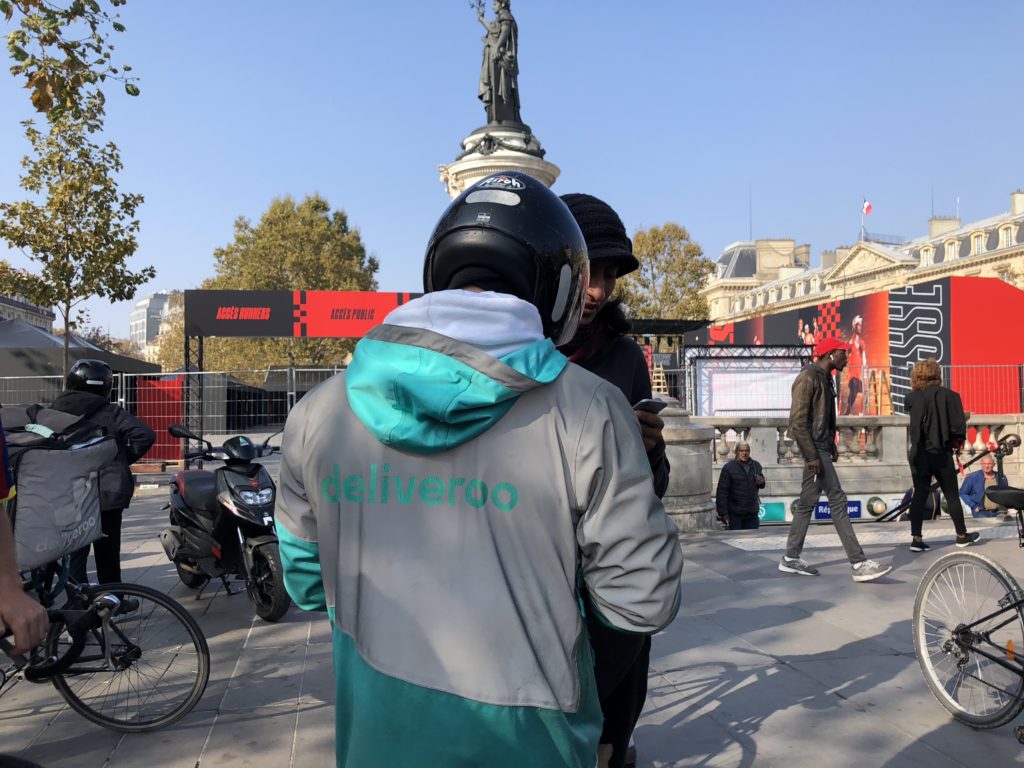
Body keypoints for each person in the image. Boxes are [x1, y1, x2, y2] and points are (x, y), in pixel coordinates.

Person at [276, 171, 683, 768]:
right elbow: (642, 599)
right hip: (532, 740)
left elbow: (307, 584)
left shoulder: (316, 415)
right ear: (560, 286)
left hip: (377, 738)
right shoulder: (590, 409)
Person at [558, 192, 668, 768]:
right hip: (539, 567)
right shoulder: (521, 353)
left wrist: (647, 451)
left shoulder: (625, 358)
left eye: (610, 274)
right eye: (586, 270)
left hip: (609, 568)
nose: (598, 289)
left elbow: (655, 488)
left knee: (615, 713)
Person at [781, 337, 891, 582]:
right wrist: (813, 455)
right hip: (814, 450)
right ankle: (858, 563)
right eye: (844, 352)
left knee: (808, 502)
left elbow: (825, 418)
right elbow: (798, 423)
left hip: (820, 448)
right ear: (830, 354)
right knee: (838, 500)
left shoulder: (824, 378)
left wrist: (831, 445)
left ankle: (790, 557)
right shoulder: (808, 377)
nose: (847, 357)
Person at [51, 360, 156, 585]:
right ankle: (112, 599)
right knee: (107, 551)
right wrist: (121, 457)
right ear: (105, 387)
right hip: (108, 491)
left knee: (76, 550)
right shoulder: (110, 412)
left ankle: (77, 602)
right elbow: (145, 434)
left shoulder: (54, 411)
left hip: (70, 491)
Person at [904, 358, 980, 552]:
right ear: (937, 374)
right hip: (941, 452)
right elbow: (956, 427)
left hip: (918, 453)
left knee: (919, 494)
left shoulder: (911, 398)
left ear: (917, 375)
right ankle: (961, 536)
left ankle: (916, 539)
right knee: (952, 494)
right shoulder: (951, 396)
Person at [477, 0, 520, 124]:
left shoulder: (505, 16)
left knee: (501, 86)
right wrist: (481, 19)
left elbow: (504, 33)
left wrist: (496, 48)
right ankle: (494, 116)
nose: (492, 7)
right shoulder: (501, 18)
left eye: (495, 4)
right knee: (493, 85)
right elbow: (494, 29)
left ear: (502, 5)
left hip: (501, 60)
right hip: (496, 59)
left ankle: (500, 116)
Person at [716, 442, 765, 530]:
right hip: (735, 513)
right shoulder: (728, 468)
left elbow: (761, 484)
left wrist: (761, 482)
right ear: (736, 452)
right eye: (741, 451)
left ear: (749, 452)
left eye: (747, 450)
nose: (744, 453)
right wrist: (723, 513)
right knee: (736, 539)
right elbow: (722, 492)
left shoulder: (756, 465)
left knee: (753, 540)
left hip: (752, 512)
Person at [959, 454, 1008, 519]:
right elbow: (963, 493)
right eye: (984, 464)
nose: (986, 466)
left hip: (998, 512)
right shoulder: (972, 477)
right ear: (981, 464)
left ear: (994, 464)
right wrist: (973, 505)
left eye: (989, 464)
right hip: (981, 512)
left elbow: (1006, 493)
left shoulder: (1001, 477)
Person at [844, 315, 868, 415]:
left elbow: (864, 357)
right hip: (852, 373)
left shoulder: (862, 343)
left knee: (864, 392)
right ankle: (847, 412)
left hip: (859, 373)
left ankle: (859, 414)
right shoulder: (851, 342)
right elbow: (846, 356)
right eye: (859, 325)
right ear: (855, 325)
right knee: (854, 392)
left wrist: (865, 370)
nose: (860, 327)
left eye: (861, 325)